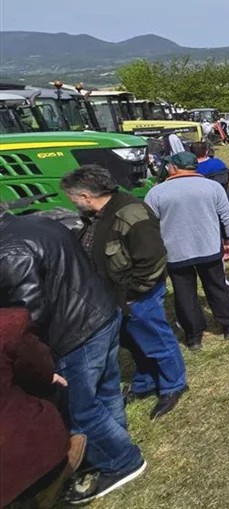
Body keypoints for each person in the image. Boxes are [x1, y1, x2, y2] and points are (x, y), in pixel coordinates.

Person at [0, 208, 146, 504]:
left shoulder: (9, 251)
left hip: (72, 331)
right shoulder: (39, 221)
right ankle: (113, 440)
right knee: (106, 387)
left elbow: (27, 314)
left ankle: (122, 461)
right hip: (98, 311)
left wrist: (38, 360)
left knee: (80, 408)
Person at [60, 165, 188, 420]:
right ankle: (145, 382)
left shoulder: (131, 213)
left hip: (137, 295)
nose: (70, 201)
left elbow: (152, 259)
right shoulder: (95, 215)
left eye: (71, 196)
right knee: (132, 341)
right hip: (112, 294)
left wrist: (134, 293)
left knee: (155, 339)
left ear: (86, 196)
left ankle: (173, 384)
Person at [144, 152, 229, 349]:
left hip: (176, 253)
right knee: (217, 286)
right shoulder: (212, 187)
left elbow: (148, 225)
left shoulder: (156, 193)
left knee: (184, 293)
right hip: (209, 247)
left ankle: (193, 335)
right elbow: (226, 216)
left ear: (174, 168)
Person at [1, 306, 86, 509]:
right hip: (25, 444)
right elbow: (37, 367)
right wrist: (47, 376)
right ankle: (48, 486)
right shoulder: (8, 325)